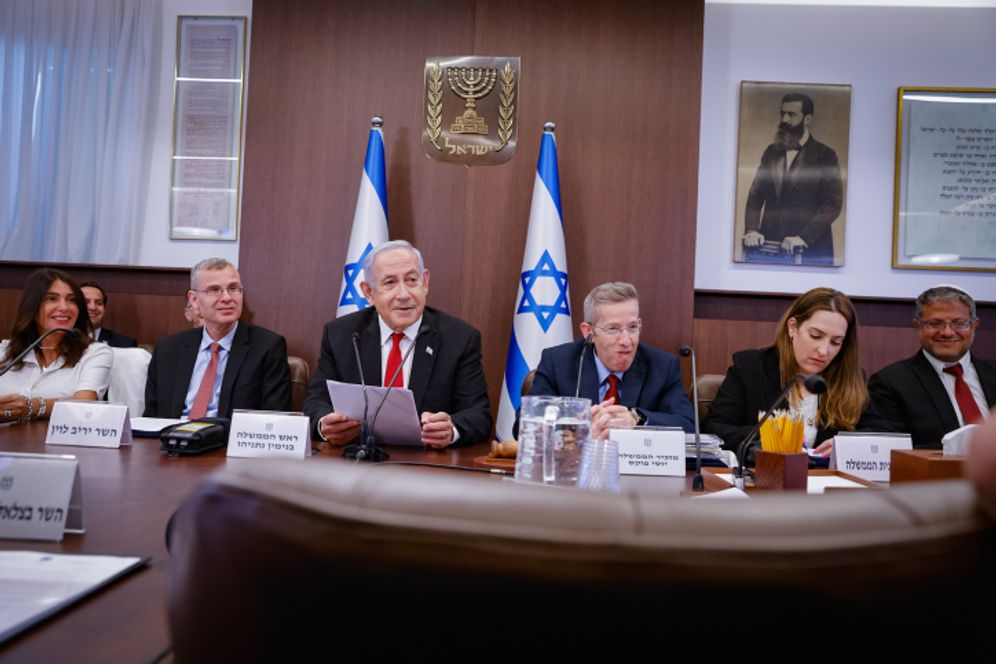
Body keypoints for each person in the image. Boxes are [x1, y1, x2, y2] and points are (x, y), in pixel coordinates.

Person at [302, 240, 491, 447]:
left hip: (426, 468)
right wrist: (325, 424)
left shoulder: (459, 338)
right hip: (356, 461)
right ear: (369, 292)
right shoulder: (342, 334)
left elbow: (478, 415)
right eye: (390, 283)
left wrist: (451, 429)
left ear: (425, 282)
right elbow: (315, 403)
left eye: (411, 280)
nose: (403, 295)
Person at [702, 287, 886, 456]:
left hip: (829, 483)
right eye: (815, 336)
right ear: (792, 327)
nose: (823, 350)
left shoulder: (851, 378)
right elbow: (714, 428)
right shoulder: (750, 367)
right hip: (766, 480)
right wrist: (771, 438)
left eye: (835, 342)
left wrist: (848, 444)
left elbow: (884, 434)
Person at [526, 282, 694, 440]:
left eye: (633, 327)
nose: (626, 341)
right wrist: (580, 429)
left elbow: (688, 425)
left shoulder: (662, 366)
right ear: (588, 332)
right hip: (575, 466)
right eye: (613, 329)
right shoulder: (558, 362)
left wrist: (637, 419)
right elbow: (525, 424)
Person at [144, 258, 291, 419]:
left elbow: (273, 420)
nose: (227, 298)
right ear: (194, 299)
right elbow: (152, 418)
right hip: (172, 439)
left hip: (226, 441)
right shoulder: (167, 348)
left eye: (233, 288)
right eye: (214, 290)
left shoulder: (268, 347)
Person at [869, 286, 995, 449]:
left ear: (974, 325)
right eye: (935, 323)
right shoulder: (890, 383)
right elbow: (891, 450)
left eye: (959, 323)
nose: (947, 332)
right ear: (918, 326)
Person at [742, 92, 843, 266]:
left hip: (811, 248)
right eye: (782, 113)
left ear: (808, 119)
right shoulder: (771, 152)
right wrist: (752, 229)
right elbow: (756, 193)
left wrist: (803, 237)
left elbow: (832, 204)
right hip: (771, 247)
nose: (785, 120)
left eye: (791, 114)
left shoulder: (826, 155)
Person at [0, 269, 113, 423]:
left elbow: (85, 403)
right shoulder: (5, 351)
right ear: (32, 305)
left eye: (72, 300)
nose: (64, 307)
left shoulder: (95, 353)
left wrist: (33, 407)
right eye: (52, 299)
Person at [80, 281, 138, 348]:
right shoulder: (65, 339)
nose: (93, 307)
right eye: (85, 302)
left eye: (99, 303)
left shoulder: (125, 344)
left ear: (104, 309)